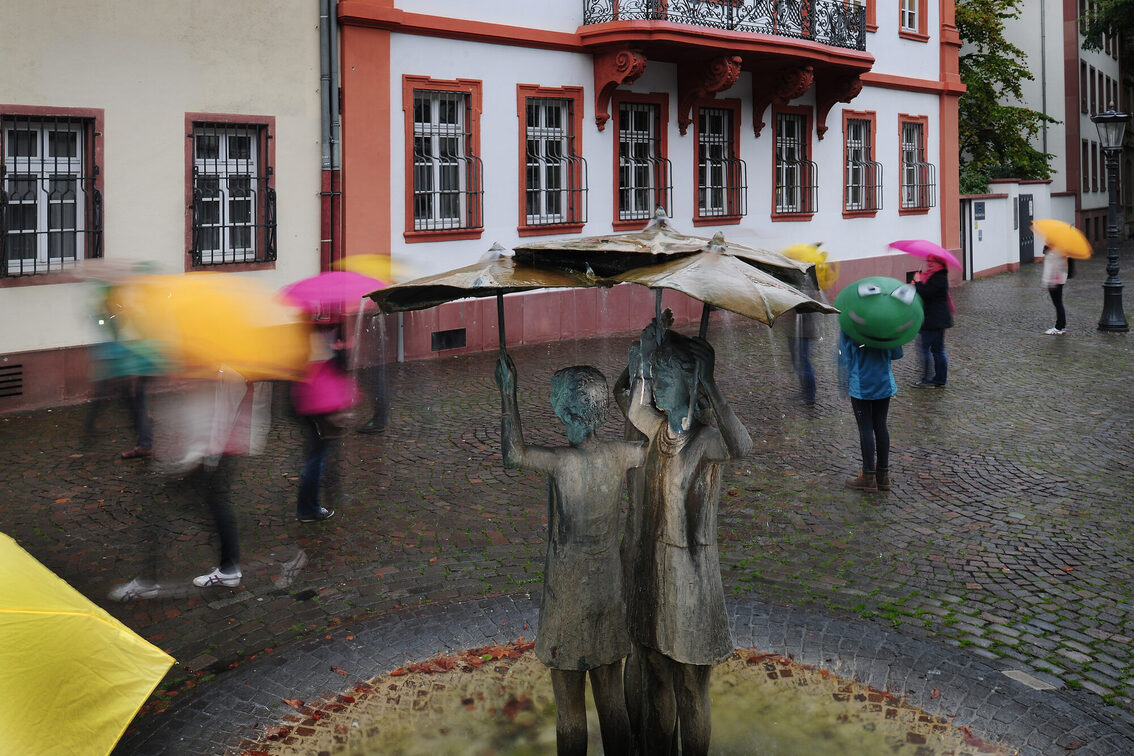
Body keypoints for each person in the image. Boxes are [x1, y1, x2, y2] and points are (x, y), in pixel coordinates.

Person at [495, 351, 643, 755]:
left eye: (554, 396)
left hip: (569, 596)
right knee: (613, 704)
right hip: (607, 591)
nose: (550, 401)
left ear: (565, 411)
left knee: (570, 711)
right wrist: (637, 372)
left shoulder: (563, 462)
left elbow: (514, 455)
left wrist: (508, 394)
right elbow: (644, 441)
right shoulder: (620, 456)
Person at [622, 323, 753, 755]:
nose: (657, 389)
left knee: (691, 686)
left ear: (687, 382)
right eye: (657, 380)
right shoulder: (657, 432)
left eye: (665, 379)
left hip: (692, 580)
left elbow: (743, 445)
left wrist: (711, 385)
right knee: (657, 673)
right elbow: (635, 410)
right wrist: (643, 360)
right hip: (655, 573)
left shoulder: (706, 440)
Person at [292, 322, 359, 522]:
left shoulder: (302, 333)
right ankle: (308, 508)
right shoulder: (317, 337)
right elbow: (333, 366)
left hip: (306, 401)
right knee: (316, 458)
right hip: (319, 404)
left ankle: (310, 504)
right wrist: (342, 349)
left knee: (314, 454)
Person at [912, 257, 953, 388]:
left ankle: (928, 378)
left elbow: (926, 292)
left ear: (939, 264)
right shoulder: (933, 275)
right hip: (935, 318)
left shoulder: (939, 277)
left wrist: (918, 283)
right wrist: (916, 284)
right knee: (937, 349)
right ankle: (939, 379)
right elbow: (924, 291)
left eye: (932, 261)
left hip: (934, 319)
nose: (929, 263)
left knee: (924, 348)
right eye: (928, 261)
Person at [1042, 245, 1072, 334]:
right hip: (1060, 279)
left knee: (1058, 304)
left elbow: (1049, 270)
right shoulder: (1062, 250)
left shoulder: (1052, 253)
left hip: (1054, 281)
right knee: (1059, 304)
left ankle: (1059, 327)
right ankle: (1061, 326)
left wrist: (1046, 282)